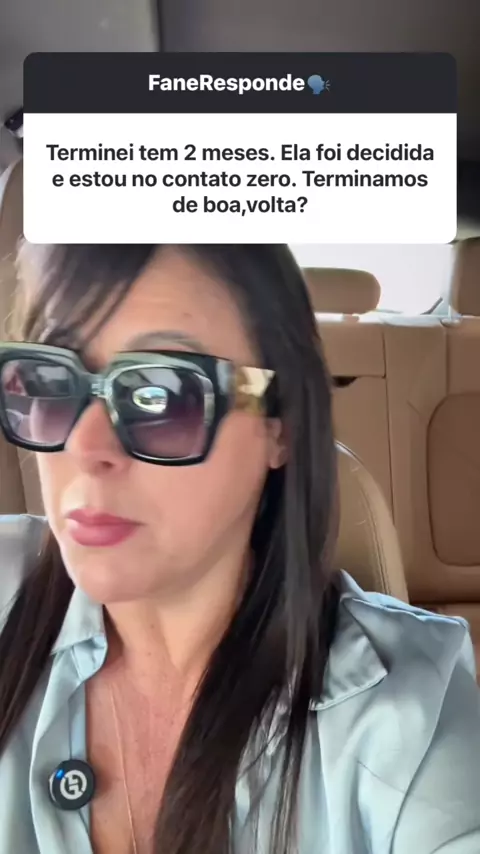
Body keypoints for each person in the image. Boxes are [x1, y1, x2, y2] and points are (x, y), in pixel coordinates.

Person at [0, 243, 479, 854]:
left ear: (282, 425)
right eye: (50, 381)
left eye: (161, 394)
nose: (83, 445)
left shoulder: (406, 716)